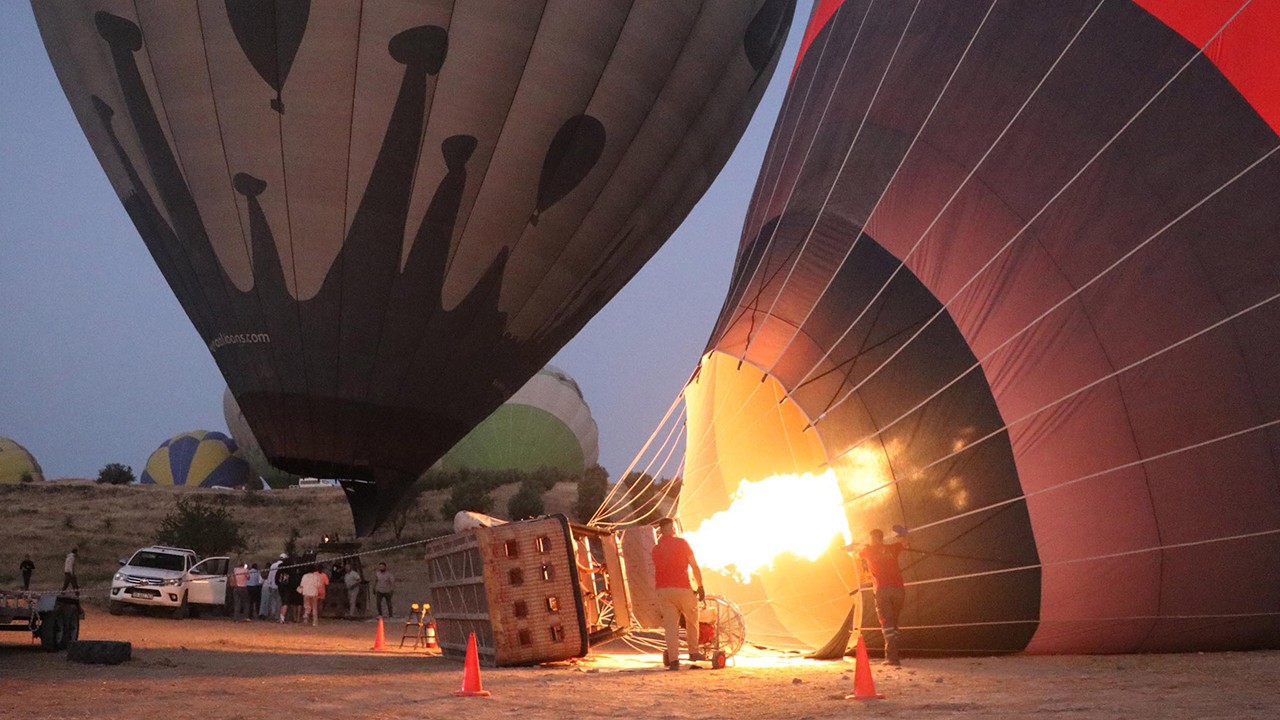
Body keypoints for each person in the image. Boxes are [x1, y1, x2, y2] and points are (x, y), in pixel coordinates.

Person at [651, 517, 705, 670]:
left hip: (663, 591)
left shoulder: (656, 549)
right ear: (673, 529)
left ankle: (674, 660)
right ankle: (693, 651)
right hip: (682, 588)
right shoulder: (682, 543)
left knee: (670, 627)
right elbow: (694, 566)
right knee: (692, 619)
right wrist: (700, 586)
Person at [858, 526, 910, 666]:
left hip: (882, 591)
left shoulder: (868, 550)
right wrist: (903, 534)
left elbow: (854, 553)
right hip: (899, 590)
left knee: (887, 625)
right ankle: (894, 653)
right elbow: (905, 542)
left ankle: (892, 658)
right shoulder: (892, 548)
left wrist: (851, 548)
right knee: (894, 624)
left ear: (872, 539)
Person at [260, 554, 284, 619]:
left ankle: (272, 614)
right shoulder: (283, 565)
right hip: (279, 586)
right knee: (279, 601)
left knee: (273, 601)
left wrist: (269, 584)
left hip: (272, 586)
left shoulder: (273, 565)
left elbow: (270, 576)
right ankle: (277, 616)